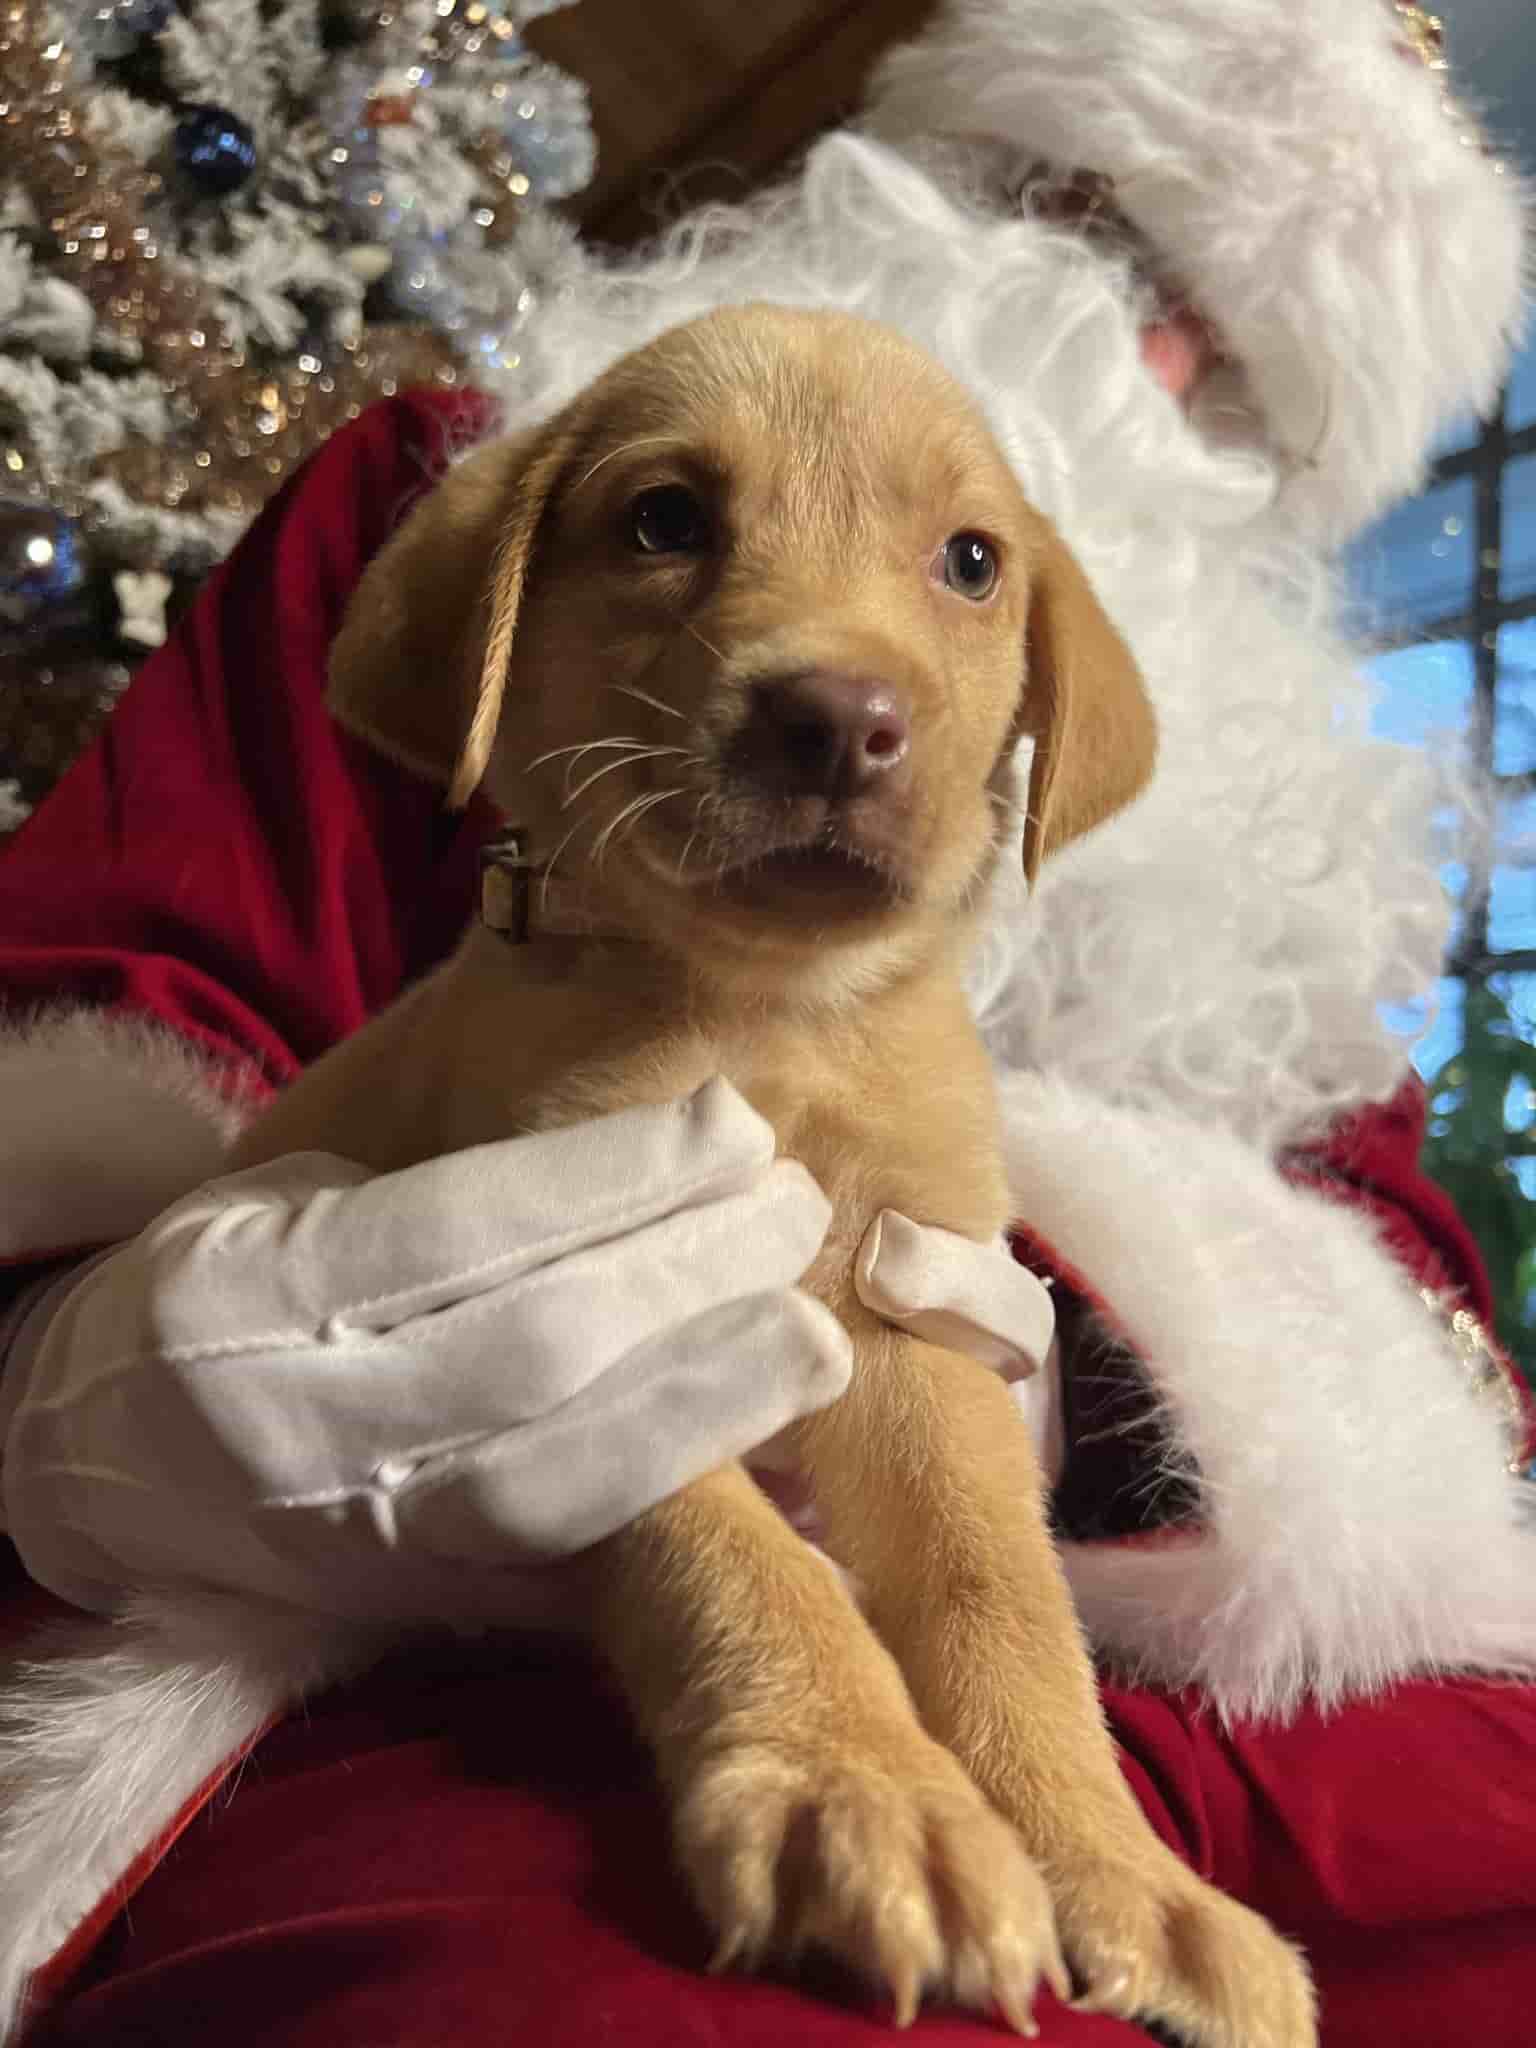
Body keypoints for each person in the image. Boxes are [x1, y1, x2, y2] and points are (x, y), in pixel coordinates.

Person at [2, 1, 1535, 2042]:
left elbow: (1411, 1300)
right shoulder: (453, 507)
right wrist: (83, 1362)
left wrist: (1097, 1384)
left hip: (1167, 1652)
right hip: (413, 1614)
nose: (1139, 344)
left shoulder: (1295, 895)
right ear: (918, 167)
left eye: (1232, 347)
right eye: (1078, 209)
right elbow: (129, 969)